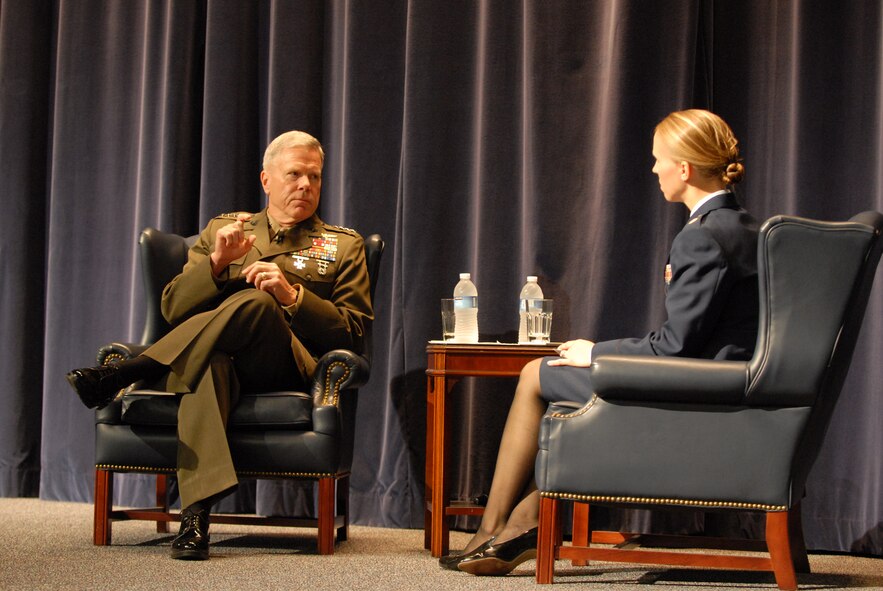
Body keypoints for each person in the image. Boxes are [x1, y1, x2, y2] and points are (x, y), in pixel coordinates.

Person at [443, 109, 760, 576]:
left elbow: (675, 347)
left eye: (658, 160)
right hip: (724, 382)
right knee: (557, 400)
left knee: (536, 373)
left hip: (696, 393)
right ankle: (522, 522)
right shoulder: (749, 227)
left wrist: (596, 351)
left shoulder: (703, 236)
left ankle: (493, 527)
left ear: (685, 168)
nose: (653, 169)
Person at [66, 130, 373, 561]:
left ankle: (132, 371)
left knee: (258, 300)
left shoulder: (343, 246)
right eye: (295, 174)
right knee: (209, 364)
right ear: (266, 180)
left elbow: (353, 333)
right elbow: (172, 307)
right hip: (219, 356)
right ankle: (195, 519)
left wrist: (292, 297)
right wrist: (216, 263)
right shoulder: (225, 231)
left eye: (315, 177)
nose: (306, 185)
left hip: (288, 364)